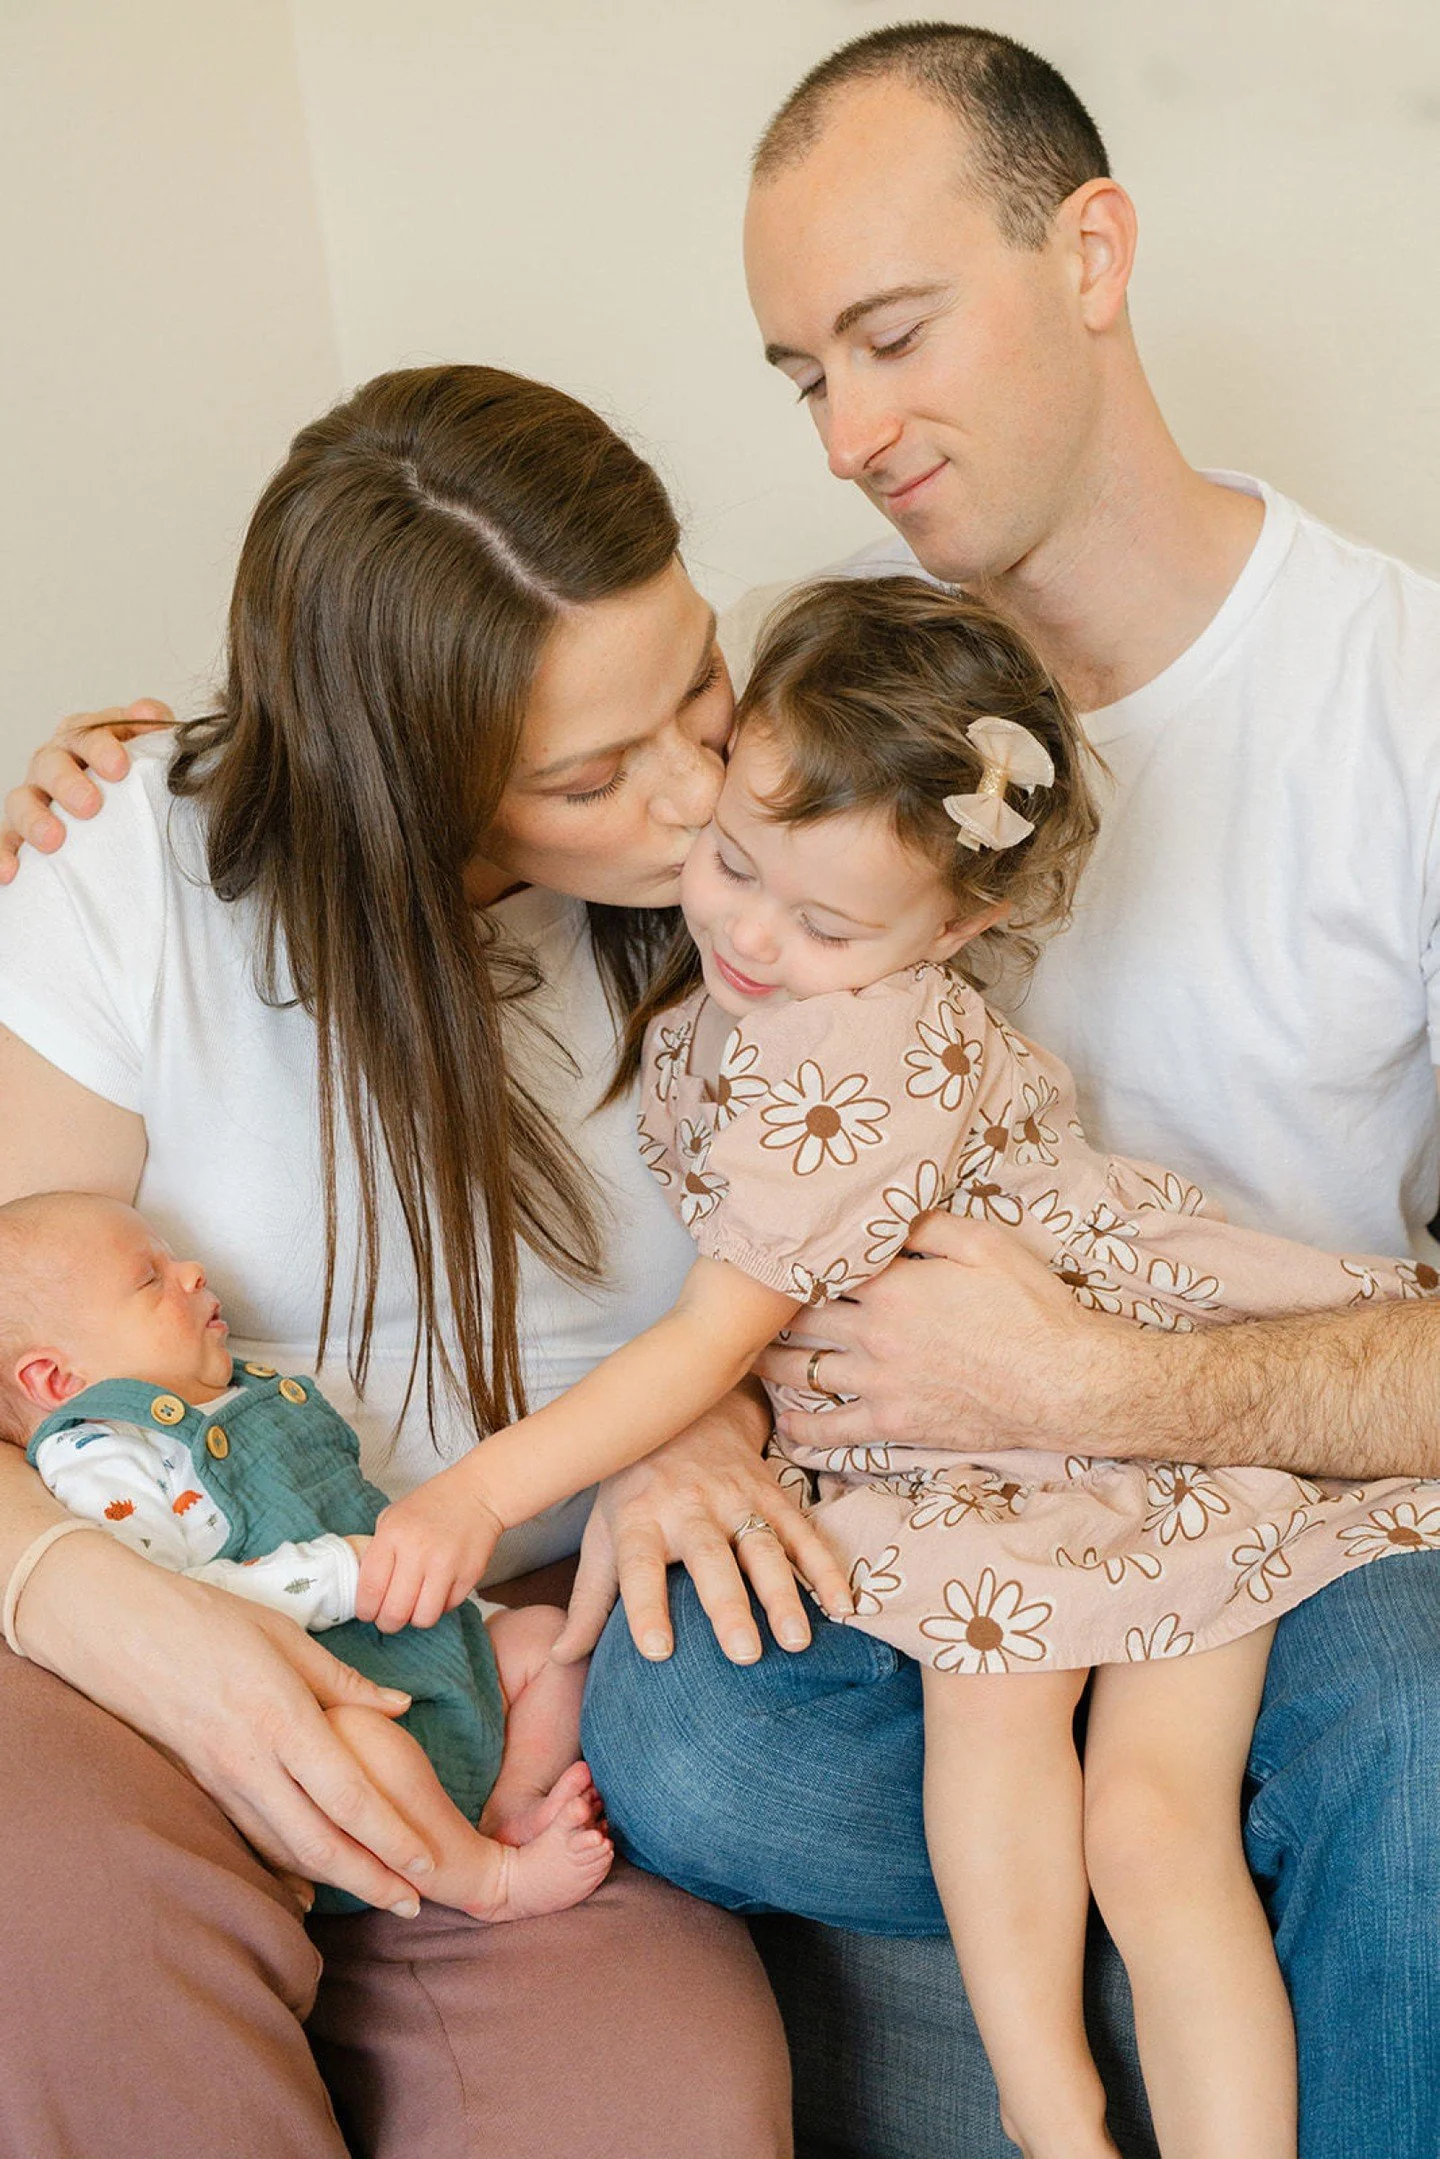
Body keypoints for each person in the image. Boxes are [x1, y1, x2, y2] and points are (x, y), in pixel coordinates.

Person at [10, 23, 1440, 2159]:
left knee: (1382, 1736)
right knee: (659, 1764)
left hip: (1135, 1515)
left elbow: (796, 1265)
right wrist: (141, 1618)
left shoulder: (825, 876)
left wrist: (918, 1400)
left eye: (892, 333)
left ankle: (1198, 1867)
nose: (698, 801)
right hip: (619, 1562)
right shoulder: (737, 801)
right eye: (802, 374)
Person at [353, 568, 1439, 2159]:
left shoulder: (859, 1046)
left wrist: (478, 1493)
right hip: (1089, 1458)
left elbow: (713, 1331)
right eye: (732, 861)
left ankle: (1050, 2102)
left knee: (1063, 1773)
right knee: (1147, 1828)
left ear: (965, 927)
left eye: (827, 921)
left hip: (1086, 1436)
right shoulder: (743, 984)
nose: (748, 932)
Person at [0, 363, 814, 2159]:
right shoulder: (129, 876)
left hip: (499, 1676)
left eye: (695, 679)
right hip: (138, 1623)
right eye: (598, 771)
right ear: (400, 788)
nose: (698, 792)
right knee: (53, 1923)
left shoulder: (779, 870)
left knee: (671, 2106)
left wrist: (720, 1405)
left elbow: (881, 1214)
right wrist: (140, 1631)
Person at [0, 1190, 614, 1924]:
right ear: (55, 1380)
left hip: (428, 1648)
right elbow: (186, 1602)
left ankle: (512, 1799)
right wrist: (341, 1574)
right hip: (332, 1720)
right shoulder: (102, 1457)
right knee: (365, 1748)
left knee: (552, 1640)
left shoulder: (245, 1392)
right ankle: (490, 1878)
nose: (193, 1271)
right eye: (151, 1279)